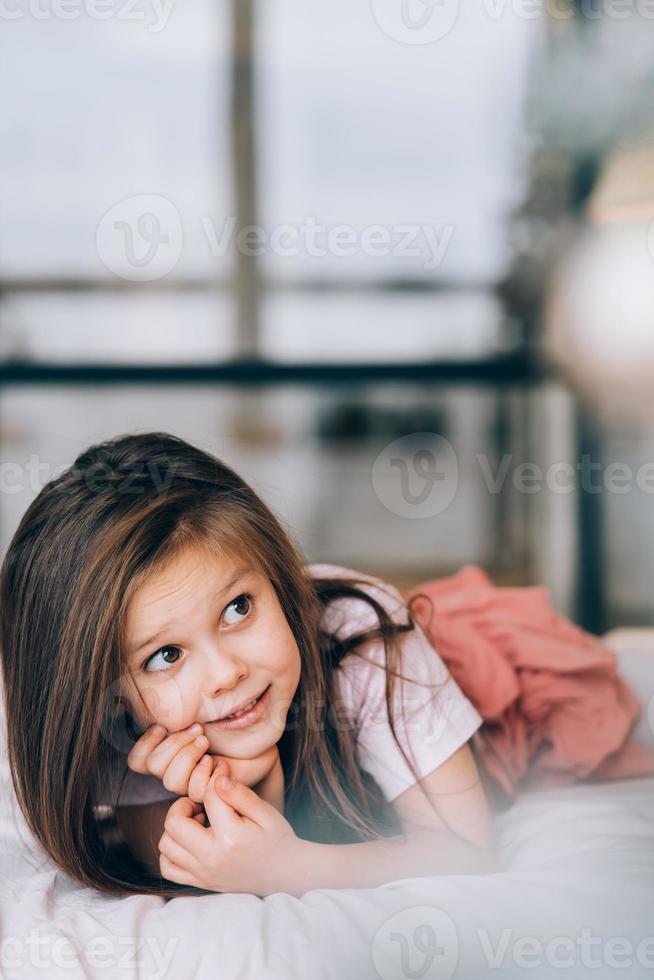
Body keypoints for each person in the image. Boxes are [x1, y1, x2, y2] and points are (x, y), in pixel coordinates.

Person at [0, 431, 496, 898]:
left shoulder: (365, 637)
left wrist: (289, 868)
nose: (226, 674)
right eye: (166, 656)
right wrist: (257, 784)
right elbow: (191, 869)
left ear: (275, 579)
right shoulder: (119, 725)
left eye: (238, 608)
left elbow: (468, 853)